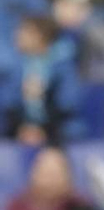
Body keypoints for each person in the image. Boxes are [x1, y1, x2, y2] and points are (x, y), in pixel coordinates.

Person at [3, 14, 80, 144]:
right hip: (19, 130)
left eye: (23, 31)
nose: (17, 36)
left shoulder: (64, 64)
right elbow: (7, 102)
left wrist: (45, 91)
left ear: (39, 35)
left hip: (58, 132)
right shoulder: (17, 66)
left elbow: (69, 103)